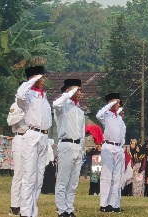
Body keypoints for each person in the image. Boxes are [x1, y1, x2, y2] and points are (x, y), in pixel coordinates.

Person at [15, 65, 52, 217]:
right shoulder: (27, 95)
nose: (43, 80)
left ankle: (33, 211)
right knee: (29, 176)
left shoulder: (43, 96)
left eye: (43, 77)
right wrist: (31, 80)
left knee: (39, 176)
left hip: (43, 136)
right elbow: (19, 95)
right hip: (31, 135)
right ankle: (25, 212)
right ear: (33, 79)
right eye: (40, 77)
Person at [53, 78, 85, 217]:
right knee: (63, 179)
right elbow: (55, 104)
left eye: (80, 90)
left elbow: (82, 132)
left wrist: (82, 149)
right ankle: (61, 210)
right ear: (68, 90)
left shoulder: (80, 111)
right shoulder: (62, 107)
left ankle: (69, 208)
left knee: (73, 181)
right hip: (66, 144)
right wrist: (67, 93)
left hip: (77, 145)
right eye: (76, 89)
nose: (79, 92)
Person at [96, 92, 126, 213]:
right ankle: (104, 203)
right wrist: (110, 105)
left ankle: (114, 204)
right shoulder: (106, 115)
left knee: (117, 178)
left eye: (118, 102)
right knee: (107, 176)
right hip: (108, 147)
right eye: (116, 102)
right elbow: (98, 115)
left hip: (119, 148)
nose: (118, 104)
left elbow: (122, 135)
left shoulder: (119, 119)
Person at [7, 100, 28, 216]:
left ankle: (26, 202)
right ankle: (15, 205)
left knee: (29, 174)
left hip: (31, 139)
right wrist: (23, 114)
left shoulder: (33, 105)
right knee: (19, 173)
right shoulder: (15, 105)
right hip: (20, 137)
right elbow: (10, 121)